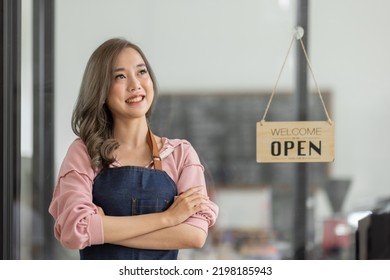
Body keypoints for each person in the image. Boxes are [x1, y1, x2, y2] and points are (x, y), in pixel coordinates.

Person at [48, 38, 219, 260]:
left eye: (141, 72)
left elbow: (194, 234)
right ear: (101, 89)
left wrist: (103, 230)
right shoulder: (84, 152)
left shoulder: (180, 154)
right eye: (120, 76)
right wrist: (168, 218)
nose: (135, 84)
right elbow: (75, 229)